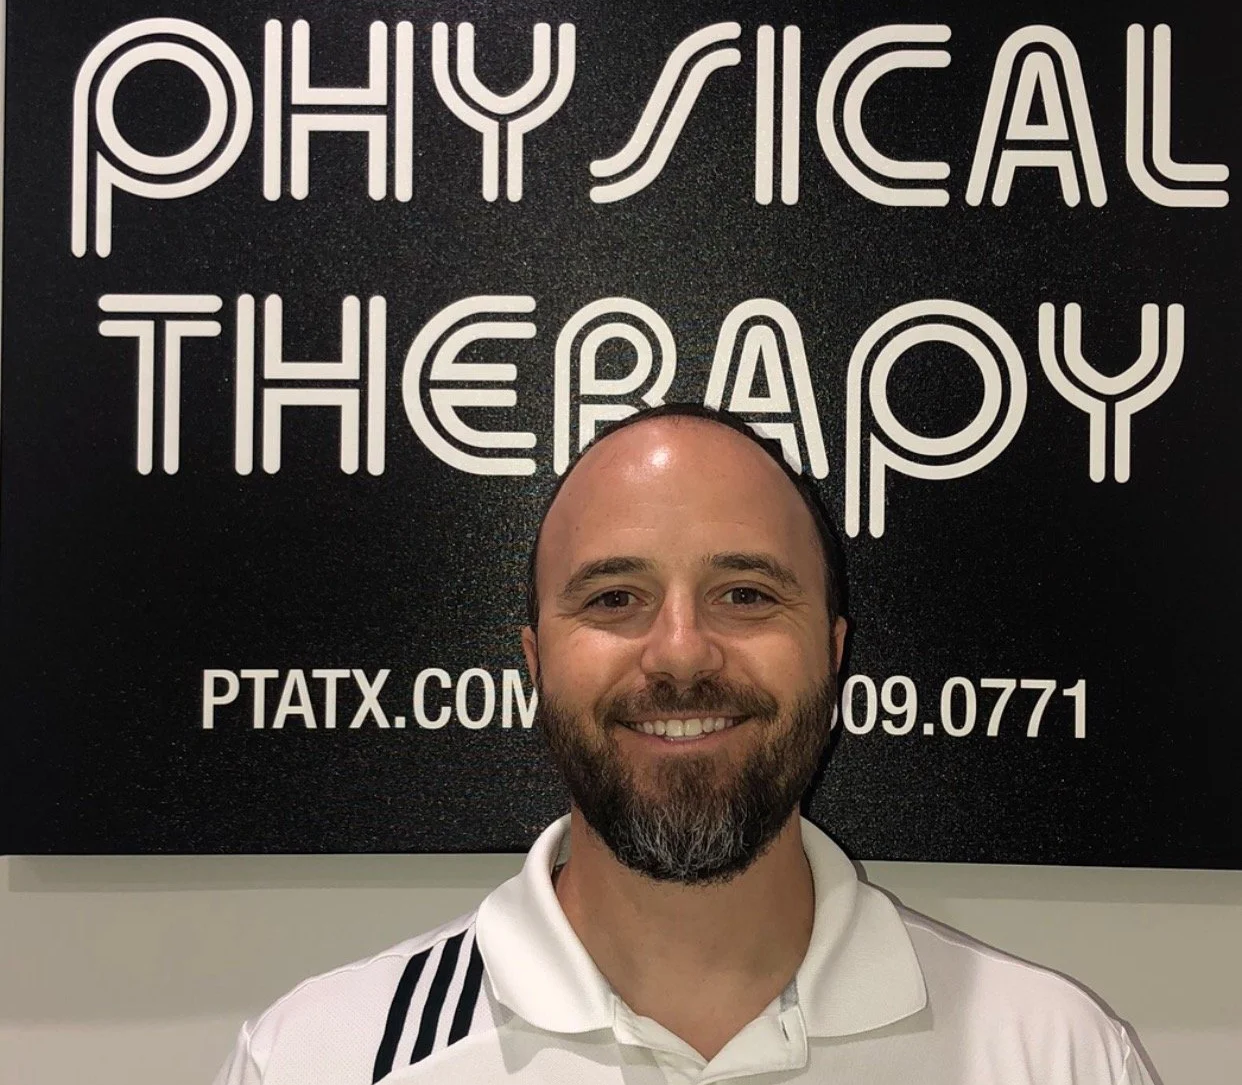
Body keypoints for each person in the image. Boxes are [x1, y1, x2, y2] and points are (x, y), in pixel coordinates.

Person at [213, 403, 1160, 1084]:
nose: (679, 652)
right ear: (534, 664)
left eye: (745, 594)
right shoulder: (316, 1058)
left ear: (833, 657)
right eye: (614, 598)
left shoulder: (1056, 1055)